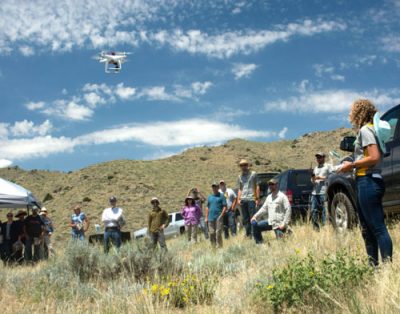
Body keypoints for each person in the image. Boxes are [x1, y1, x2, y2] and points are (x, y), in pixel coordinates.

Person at [339, 99, 393, 265]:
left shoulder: (365, 130)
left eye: (352, 111)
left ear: (358, 112)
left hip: (368, 181)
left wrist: (352, 165)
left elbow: (374, 157)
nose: (350, 115)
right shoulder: (372, 129)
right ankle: (374, 267)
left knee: (377, 227)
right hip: (369, 181)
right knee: (366, 229)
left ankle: (387, 269)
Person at [251, 178, 291, 244]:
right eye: (269, 184)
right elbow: (263, 209)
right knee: (256, 226)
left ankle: (287, 231)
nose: (271, 186)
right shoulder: (269, 197)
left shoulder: (282, 196)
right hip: (270, 222)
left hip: (279, 224)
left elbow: (288, 209)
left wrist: (284, 223)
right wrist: (255, 216)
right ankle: (259, 244)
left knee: (282, 244)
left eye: (272, 184)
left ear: (276, 185)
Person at [237, 159, 260, 238]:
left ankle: (255, 233)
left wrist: (257, 198)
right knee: (245, 218)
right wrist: (238, 199)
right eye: (241, 165)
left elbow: (257, 185)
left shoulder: (253, 174)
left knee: (252, 217)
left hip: (251, 198)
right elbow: (240, 188)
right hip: (243, 199)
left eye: (245, 165)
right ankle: (248, 234)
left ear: (247, 165)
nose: (243, 167)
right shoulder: (240, 177)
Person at [310, 152, 332, 230]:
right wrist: (313, 179)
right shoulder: (315, 168)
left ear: (323, 157)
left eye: (320, 157)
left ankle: (324, 227)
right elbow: (312, 181)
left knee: (324, 211)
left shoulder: (328, 166)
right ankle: (316, 228)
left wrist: (321, 178)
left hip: (324, 192)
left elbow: (332, 177)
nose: (318, 159)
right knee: (313, 210)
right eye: (317, 158)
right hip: (315, 192)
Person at [205, 182, 227, 248]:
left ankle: (219, 247)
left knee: (218, 233)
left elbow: (225, 206)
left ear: (218, 188)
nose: (214, 188)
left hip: (218, 217)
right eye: (213, 187)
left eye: (215, 187)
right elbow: (207, 207)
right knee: (211, 233)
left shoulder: (222, 196)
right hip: (210, 218)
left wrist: (221, 215)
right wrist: (206, 217)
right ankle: (213, 246)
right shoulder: (209, 197)